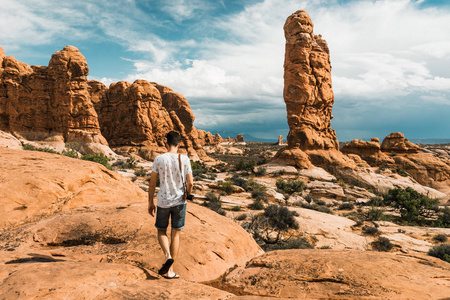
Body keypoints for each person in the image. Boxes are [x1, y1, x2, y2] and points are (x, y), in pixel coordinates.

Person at [148, 131, 193, 279]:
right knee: (176, 234)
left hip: (163, 201)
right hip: (180, 202)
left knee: (161, 231)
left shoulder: (159, 159)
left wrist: (150, 202)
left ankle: (168, 256)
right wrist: (188, 193)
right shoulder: (185, 159)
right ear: (179, 145)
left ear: (166, 143)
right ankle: (170, 271)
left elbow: (153, 183)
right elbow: (190, 182)